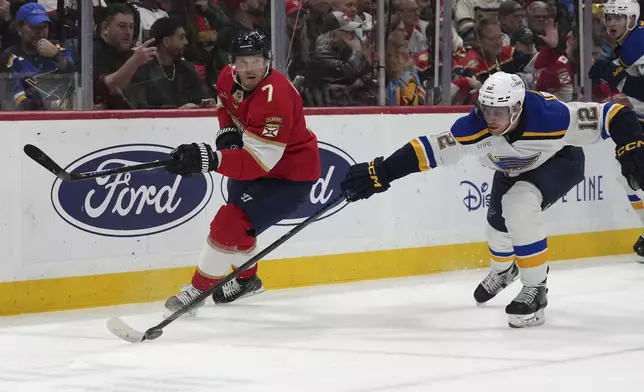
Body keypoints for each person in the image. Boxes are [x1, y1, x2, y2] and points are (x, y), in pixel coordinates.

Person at [339, 71, 644, 328]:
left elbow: (616, 114)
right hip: (510, 170)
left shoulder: (552, 118)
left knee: (519, 205)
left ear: (518, 107)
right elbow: (427, 150)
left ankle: (535, 288)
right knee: (497, 230)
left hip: (560, 162)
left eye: (499, 111)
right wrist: (381, 172)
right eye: (486, 109)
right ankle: (504, 270)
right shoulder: (473, 127)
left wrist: (632, 146)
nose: (491, 118)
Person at [163, 30, 321, 315]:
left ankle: (197, 292)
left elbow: (259, 162)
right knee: (239, 222)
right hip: (251, 157)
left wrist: (210, 159)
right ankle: (248, 280)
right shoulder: (227, 76)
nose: (249, 68)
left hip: (288, 177)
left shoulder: (276, 97)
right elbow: (225, 104)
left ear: (267, 61)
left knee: (229, 223)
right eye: (242, 61)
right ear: (232, 62)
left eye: (256, 60)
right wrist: (226, 132)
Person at [588, 0, 644, 262]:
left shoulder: (638, 44)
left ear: (631, 20)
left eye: (617, 18)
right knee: (627, 173)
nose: (611, 23)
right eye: (608, 18)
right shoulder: (627, 43)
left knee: (631, 171)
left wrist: (616, 76)